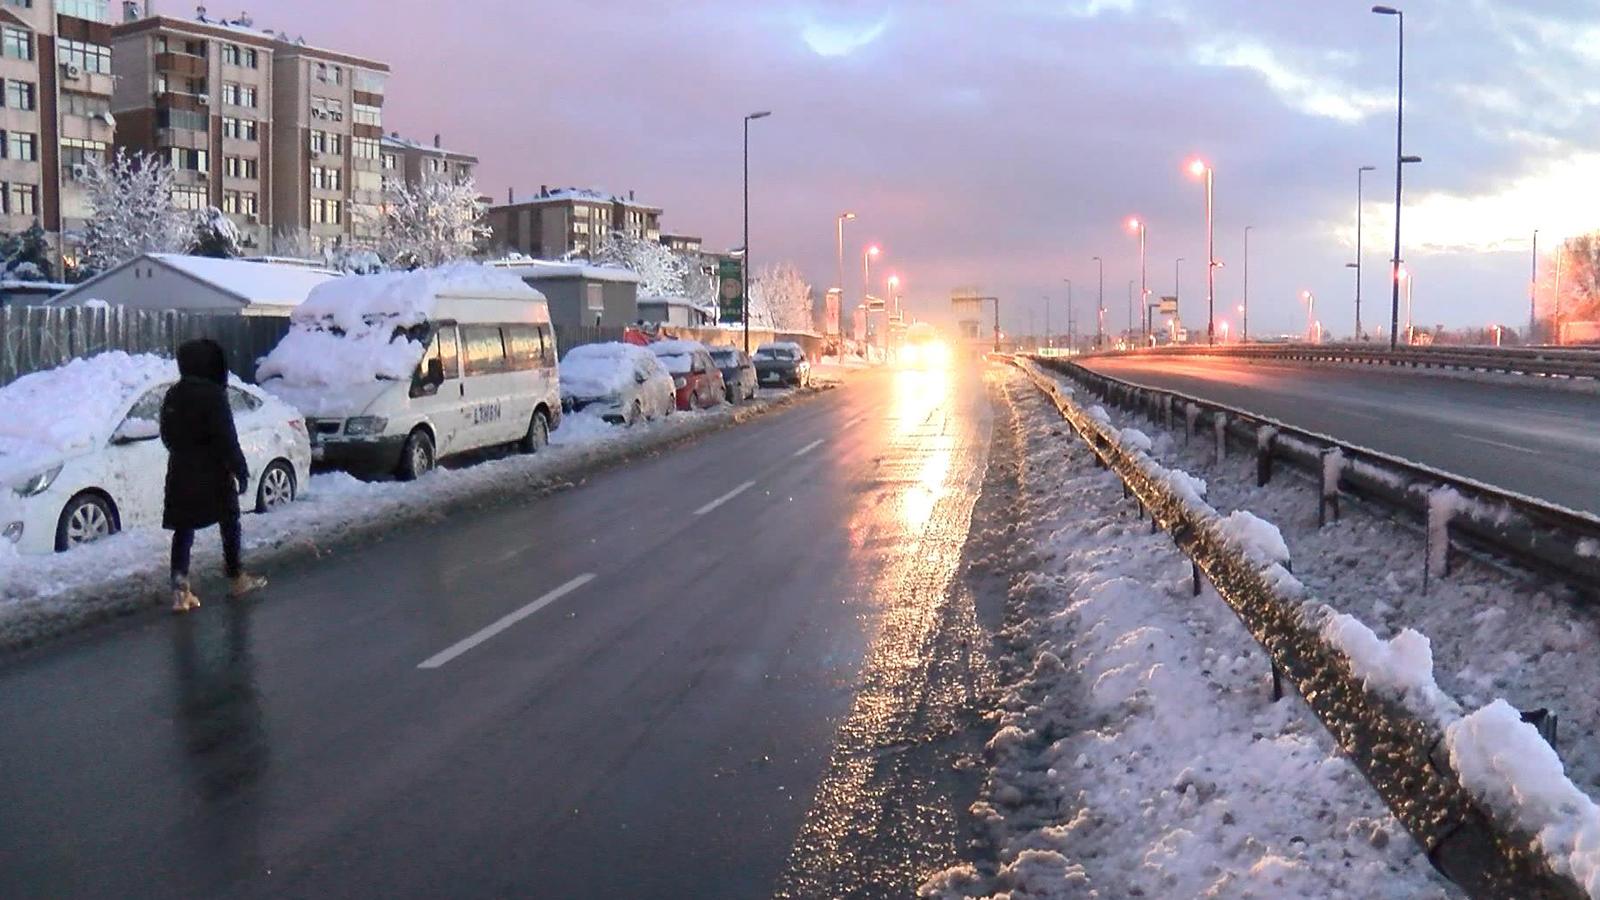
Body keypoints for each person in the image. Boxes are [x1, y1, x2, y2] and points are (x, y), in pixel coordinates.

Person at [160, 339, 267, 613]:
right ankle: (236, 577)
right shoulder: (214, 396)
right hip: (213, 471)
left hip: (180, 471)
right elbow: (226, 438)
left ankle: (180, 588)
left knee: (183, 529)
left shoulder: (174, 394)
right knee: (229, 520)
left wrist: (184, 451)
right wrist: (240, 470)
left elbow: (166, 435)